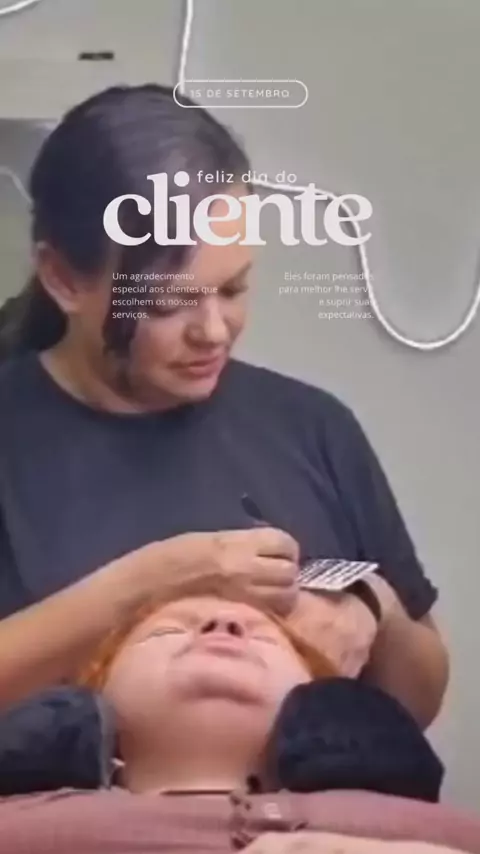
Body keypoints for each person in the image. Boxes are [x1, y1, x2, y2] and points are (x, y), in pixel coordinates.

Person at [0, 83, 448, 727]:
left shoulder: (312, 428)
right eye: (168, 303)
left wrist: (374, 607)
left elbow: (418, 703)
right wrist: (155, 581)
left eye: (233, 289)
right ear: (64, 279)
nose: (213, 331)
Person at [0, 595, 478, 854]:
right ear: (96, 695)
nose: (223, 627)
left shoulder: (434, 831)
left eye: (265, 638)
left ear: (317, 698)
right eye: (169, 629)